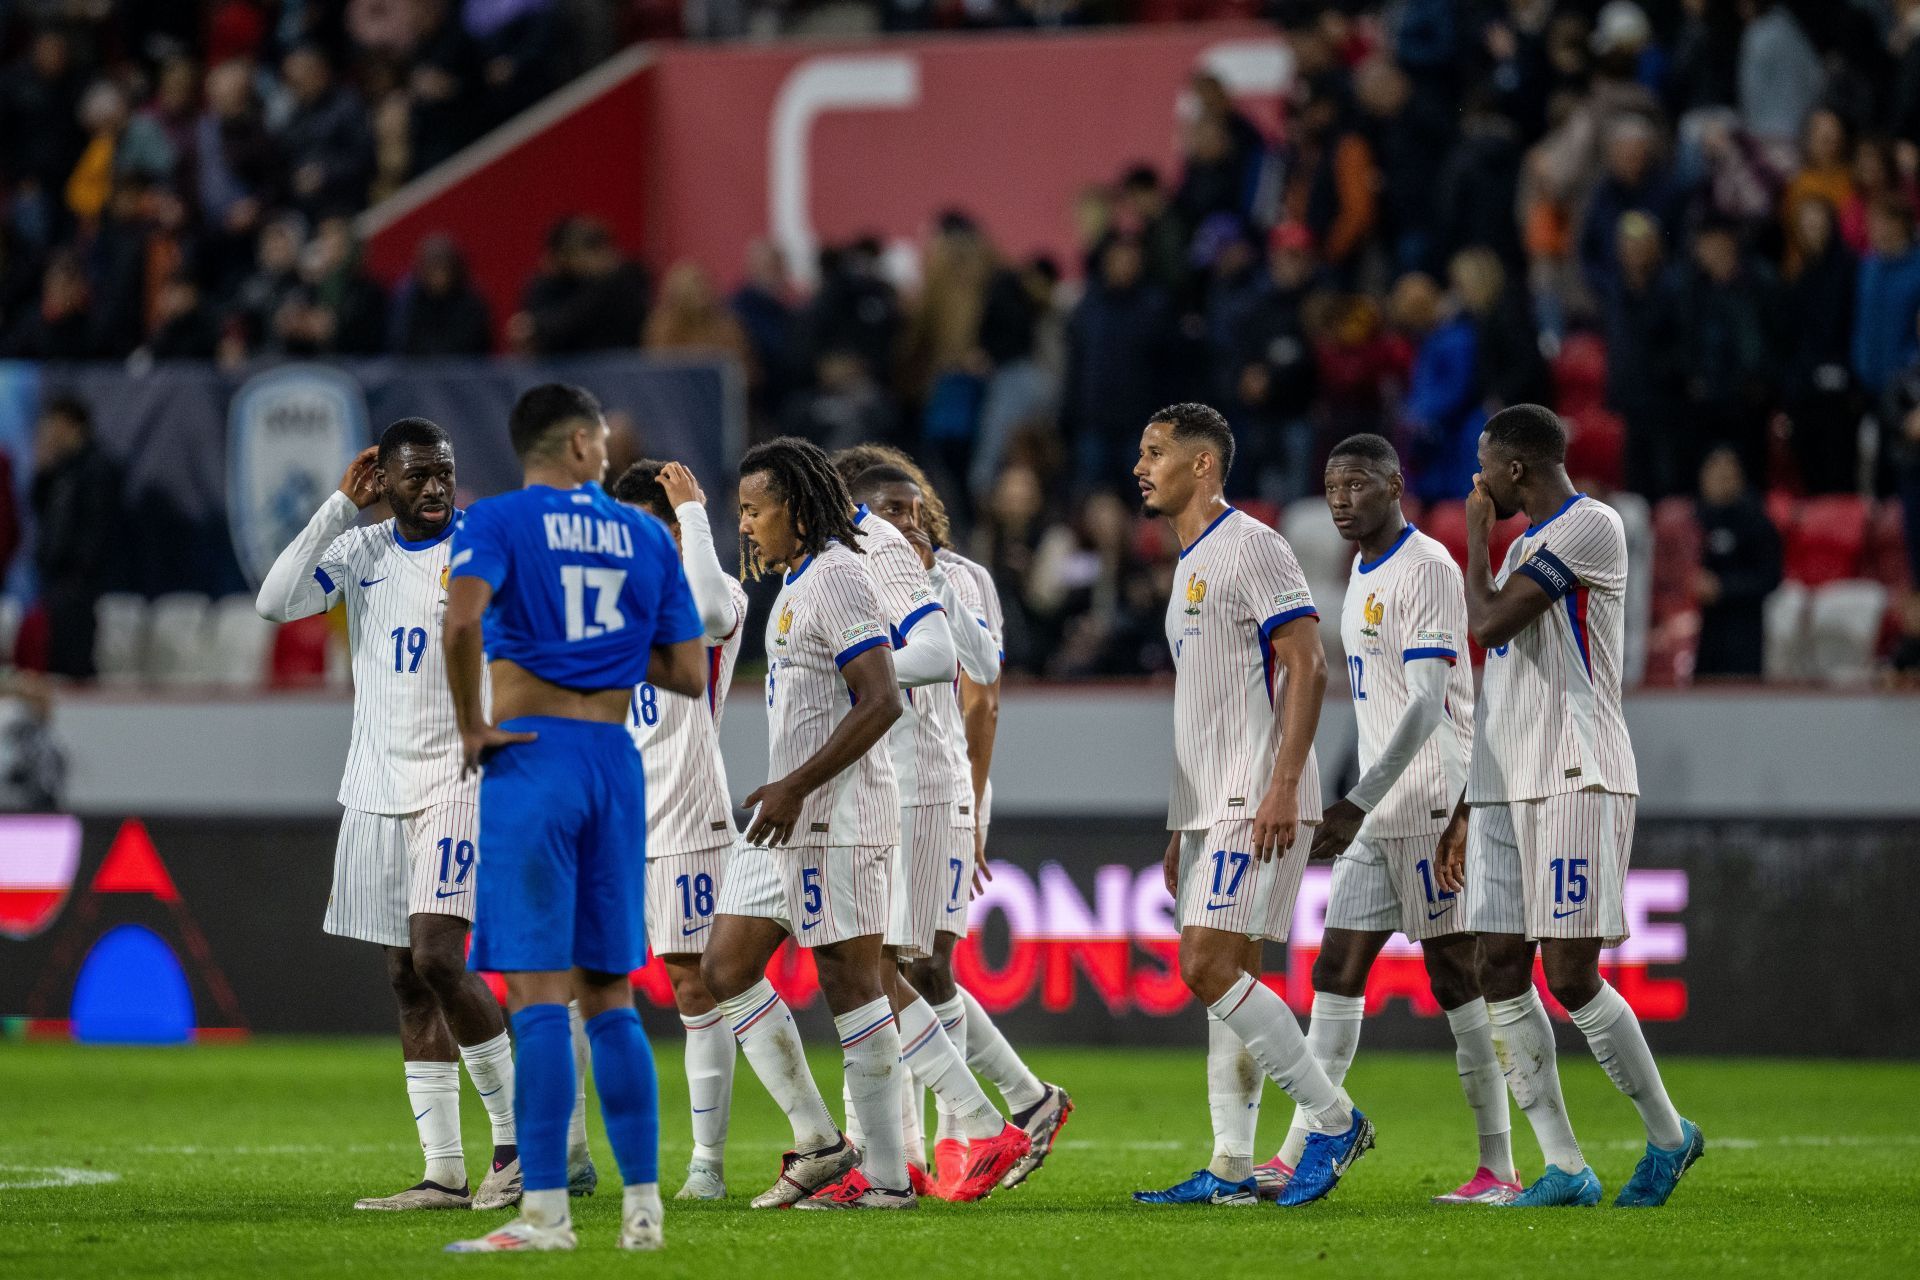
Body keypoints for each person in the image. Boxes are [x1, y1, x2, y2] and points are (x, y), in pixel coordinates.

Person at [441, 383, 709, 1253]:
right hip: (614, 761)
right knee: (611, 994)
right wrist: (614, 653)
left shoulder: (499, 522)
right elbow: (690, 674)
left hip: (532, 755)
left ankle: (547, 1214)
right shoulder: (641, 533)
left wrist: (471, 726)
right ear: (587, 446)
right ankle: (643, 1211)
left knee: (536, 996)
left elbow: (461, 622)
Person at [253, 419, 536, 1212]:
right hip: (376, 784)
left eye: (444, 472)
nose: (436, 487)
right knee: (406, 979)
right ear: (384, 480)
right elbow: (275, 602)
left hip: (458, 778)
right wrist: (338, 510)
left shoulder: (485, 545)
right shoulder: (362, 550)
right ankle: (445, 1173)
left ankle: (518, 1151)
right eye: (418, 476)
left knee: (440, 957)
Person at [1255, 432, 1516, 1205]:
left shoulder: (1426, 568)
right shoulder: (1362, 569)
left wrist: (1355, 800)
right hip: (1382, 808)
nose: (1342, 499)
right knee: (1336, 971)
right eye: (1332, 487)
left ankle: (1499, 1168)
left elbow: (1431, 706)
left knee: (1454, 978)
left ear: (1395, 485)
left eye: (1358, 485)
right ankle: (1304, 1142)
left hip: (1431, 803)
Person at [1460, 403, 1704, 1208]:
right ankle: (1564, 1165)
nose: (1479, 479)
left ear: (1517, 469)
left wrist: (1471, 533)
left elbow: (1490, 624)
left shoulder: (1589, 526)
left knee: (1568, 973)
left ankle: (1670, 1137)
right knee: (1497, 964)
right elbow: (1499, 675)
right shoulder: (1530, 543)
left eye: (1486, 466)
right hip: (1504, 780)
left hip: (1575, 769)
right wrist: (1469, 795)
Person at [1129, 403, 1372, 1209]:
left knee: (1204, 967)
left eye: (1156, 452)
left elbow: (1307, 664)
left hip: (1255, 794)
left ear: (1203, 466)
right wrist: (1177, 822)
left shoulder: (1254, 546)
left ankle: (1333, 1121)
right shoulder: (1192, 563)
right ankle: (1232, 1167)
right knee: (1231, 977)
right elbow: (1202, 706)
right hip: (1209, 804)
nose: (1141, 466)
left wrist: (1281, 783)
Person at [844, 456, 1069, 1193]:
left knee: (904, 966)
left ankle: (944, 1134)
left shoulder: (960, 577)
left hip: (937, 786)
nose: (907, 523)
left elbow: (985, 692)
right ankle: (956, 1129)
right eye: (888, 510)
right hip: (874, 789)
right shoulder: (841, 572)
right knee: (901, 966)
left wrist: (973, 809)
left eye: (913, 509)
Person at [695, 437, 908, 1210]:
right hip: (789, 820)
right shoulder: (796, 584)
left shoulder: (842, 578)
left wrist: (794, 785)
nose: (745, 525)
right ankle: (820, 1144)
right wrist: (785, 792)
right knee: (724, 966)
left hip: (841, 818)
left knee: (852, 985)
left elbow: (883, 699)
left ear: (797, 504)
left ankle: (887, 1179)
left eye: (755, 509)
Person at [607, 459, 750, 1201]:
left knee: (694, 985)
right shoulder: (600, 601)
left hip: (684, 810)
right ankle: (567, 1154)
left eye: (651, 528)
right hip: (602, 811)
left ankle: (707, 1165)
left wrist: (693, 516)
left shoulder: (715, 589)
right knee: (568, 985)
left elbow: (711, 618)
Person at [30, 395, 121, 680]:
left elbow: (97, 526)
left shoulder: (97, 468)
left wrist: (80, 572)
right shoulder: (60, 469)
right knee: (55, 658)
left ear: (72, 426)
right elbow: (40, 510)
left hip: (81, 583)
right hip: (57, 579)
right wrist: (43, 473)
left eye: (53, 424)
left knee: (76, 659)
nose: (48, 432)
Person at [1692, 446, 1781, 678]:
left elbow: (1770, 578)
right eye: (1714, 475)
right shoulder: (1692, 522)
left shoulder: (1757, 523)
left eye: (1727, 476)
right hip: (1699, 633)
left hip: (1742, 630)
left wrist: (1723, 587)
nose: (1721, 482)